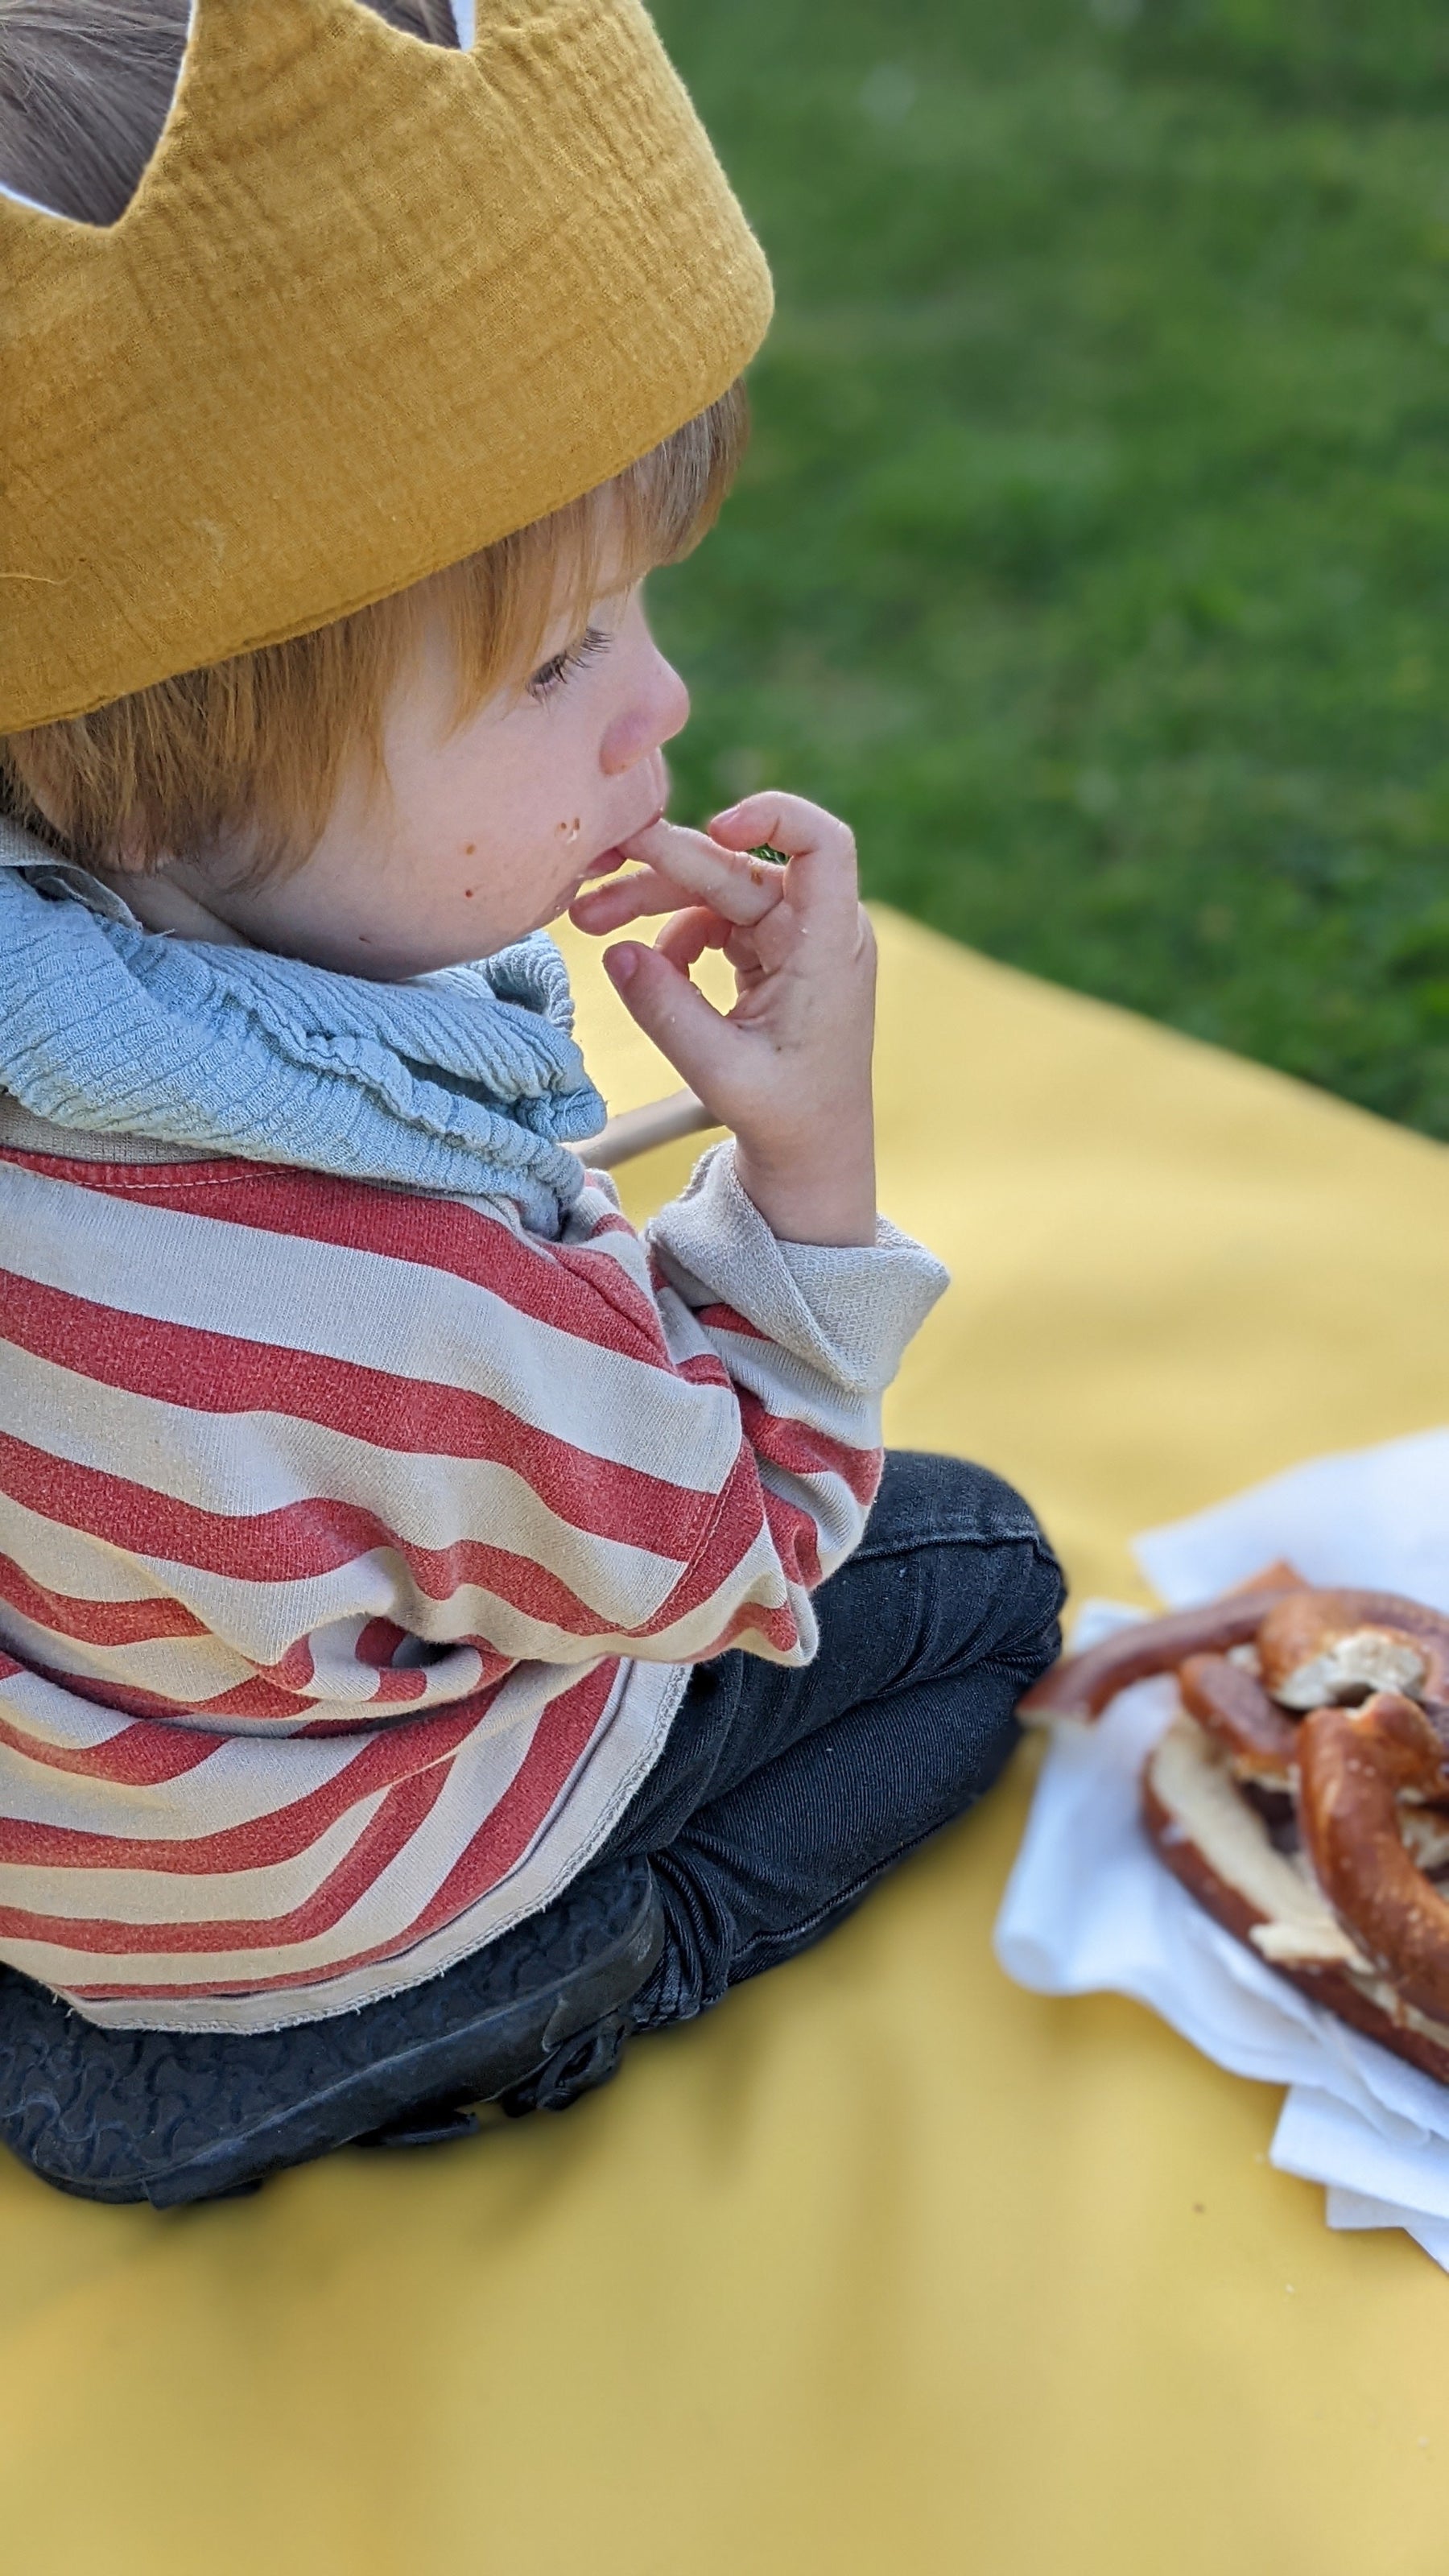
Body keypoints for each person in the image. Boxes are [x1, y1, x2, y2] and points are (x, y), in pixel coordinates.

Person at [0, 0, 1064, 2203]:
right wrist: (807, 1172)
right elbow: (753, 1540)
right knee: (977, 1583)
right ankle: (564, 1980)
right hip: (305, 1919)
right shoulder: (412, 1301)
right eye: (559, 658)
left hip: (76, 1803)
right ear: (153, 756)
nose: (661, 698)